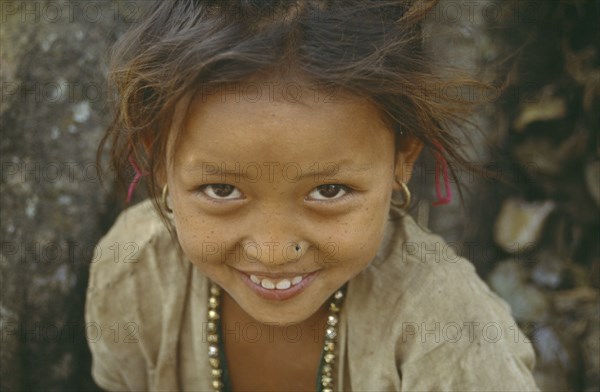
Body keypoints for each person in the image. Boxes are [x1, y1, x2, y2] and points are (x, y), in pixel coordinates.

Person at [85, 1, 540, 391]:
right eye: (222, 190)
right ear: (159, 161)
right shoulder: (134, 274)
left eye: (329, 191)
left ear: (403, 159)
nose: (274, 250)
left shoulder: (451, 333)